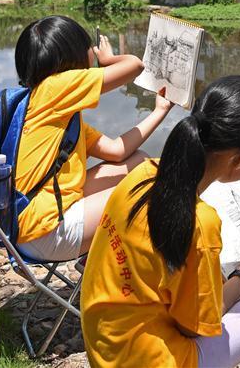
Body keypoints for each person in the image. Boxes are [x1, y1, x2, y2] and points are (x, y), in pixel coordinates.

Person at [81, 76, 240, 368]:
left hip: (106, 348)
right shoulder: (201, 223)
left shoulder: (143, 173)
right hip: (151, 360)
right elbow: (193, 328)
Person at [13, 15, 171, 262]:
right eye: (89, 47)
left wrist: (159, 111)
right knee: (151, 190)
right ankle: (115, 268)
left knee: (141, 162)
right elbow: (135, 66)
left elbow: (117, 150)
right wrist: (108, 60)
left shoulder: (53, 110)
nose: (93, 53)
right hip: (45, 231)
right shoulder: (55, 86)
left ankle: (97, 261)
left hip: (32, 224)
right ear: (72, 56)